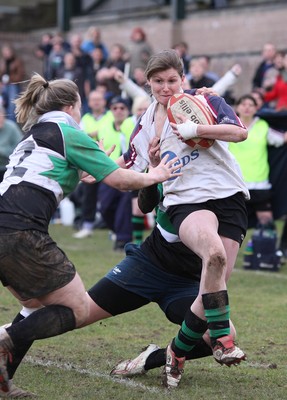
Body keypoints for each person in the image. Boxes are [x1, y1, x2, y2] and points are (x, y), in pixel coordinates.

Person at [0, 72, 181, 395]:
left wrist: (96, 168)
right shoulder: (67, 131)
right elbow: (122, 182)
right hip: (20, 231)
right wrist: (157, 174)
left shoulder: (35, 134)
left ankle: (3, 375)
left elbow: (62, 172)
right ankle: (3, 341)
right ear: (73, 106)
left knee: (36, 304)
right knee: (77, 309)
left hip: (7, 227)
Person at [1, 182, 238, 397]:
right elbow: (145, 205)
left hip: (186, 284)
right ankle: (8, 335)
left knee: (221, 334)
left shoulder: (228, 192)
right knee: (76, 311)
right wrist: (152, 174)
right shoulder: (175, 168)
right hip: (145, 268)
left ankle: (150, 359)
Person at [116, 49, 249, 388]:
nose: (165, 86)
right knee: (214, 256)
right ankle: (222, 341)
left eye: (172, 80)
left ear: (182, 79)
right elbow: (127, 169)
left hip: (229, 195)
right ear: (147, 83)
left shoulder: (204, 100)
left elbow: (239, 132)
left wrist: (198, 127)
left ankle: (171, 354)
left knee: (212, 286)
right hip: (186, 201)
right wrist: (94, 168)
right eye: (158, 81)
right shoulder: (144, 124)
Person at [73, 90, 113, 239]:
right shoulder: (85, 118)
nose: (96, 102)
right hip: (90, 163)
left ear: (104, 101)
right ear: (89, 103)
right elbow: (80, 135)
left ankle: (113, 228)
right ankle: (87, 226)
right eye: (93, 100)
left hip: (110, 162)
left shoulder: (111, 116)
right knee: (88, 196)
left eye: (99, 99)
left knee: (109, 199)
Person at [97, 96, 135, 250]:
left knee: (124, 206)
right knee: (105, 206)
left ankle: (123, 239)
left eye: (122, 108)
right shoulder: (104, 127)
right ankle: (117, 230)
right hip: (108, 172)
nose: (118, 111)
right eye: (115, 108)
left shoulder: (133, 126)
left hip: (129, 172)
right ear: (110, 111)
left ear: (128, 111)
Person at [0, 44, 25, 122]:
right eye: (4, 52)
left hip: (13, 85)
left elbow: (20, 76)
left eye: (7, 52)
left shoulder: (17, 62)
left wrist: (9, 79)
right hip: (3, 85)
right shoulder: (2, 62)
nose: (6, 54)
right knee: (2, 104)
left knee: (12, 106)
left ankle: (11, 123)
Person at [0, 106, 23, 182]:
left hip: (8, 167)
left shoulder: (11, 127)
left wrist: (3, 151)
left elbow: (21, 148)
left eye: (2, 116)